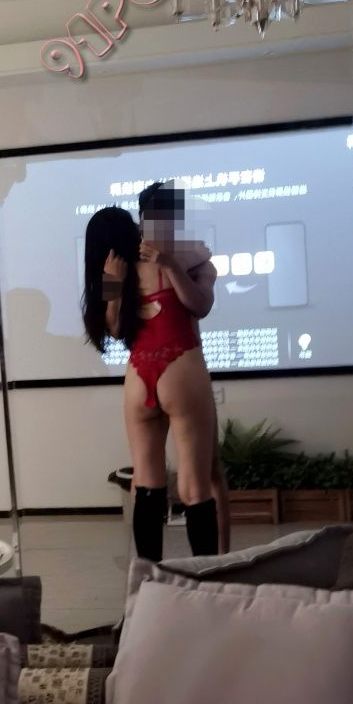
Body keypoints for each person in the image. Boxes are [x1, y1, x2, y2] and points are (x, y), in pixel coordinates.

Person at [83, 185, 222, 561]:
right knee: (194, 485)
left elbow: (113, 328)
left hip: (138, 374)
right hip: (181, 367)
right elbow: (200, 306)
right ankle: (205, 578)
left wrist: (114, 284)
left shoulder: (122, 270)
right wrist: (172, 265)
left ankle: (148, 579)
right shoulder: (192, 256)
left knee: (145, 481)